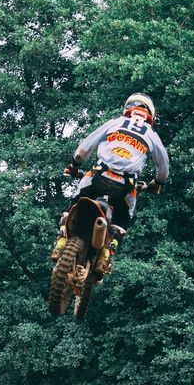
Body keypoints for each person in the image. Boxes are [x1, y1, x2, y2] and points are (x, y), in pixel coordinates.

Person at [55, 93, 169, 271]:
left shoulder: (115, 122)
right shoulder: (151, 133)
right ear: (150, 114)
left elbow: (85, 147)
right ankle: (108, 252)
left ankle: (62, 240)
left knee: (76, 201)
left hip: (99, 175)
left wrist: (75, 164)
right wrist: (157, 183)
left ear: (128, 108)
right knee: (124, 216)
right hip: (126, 185)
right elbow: (163, 165)